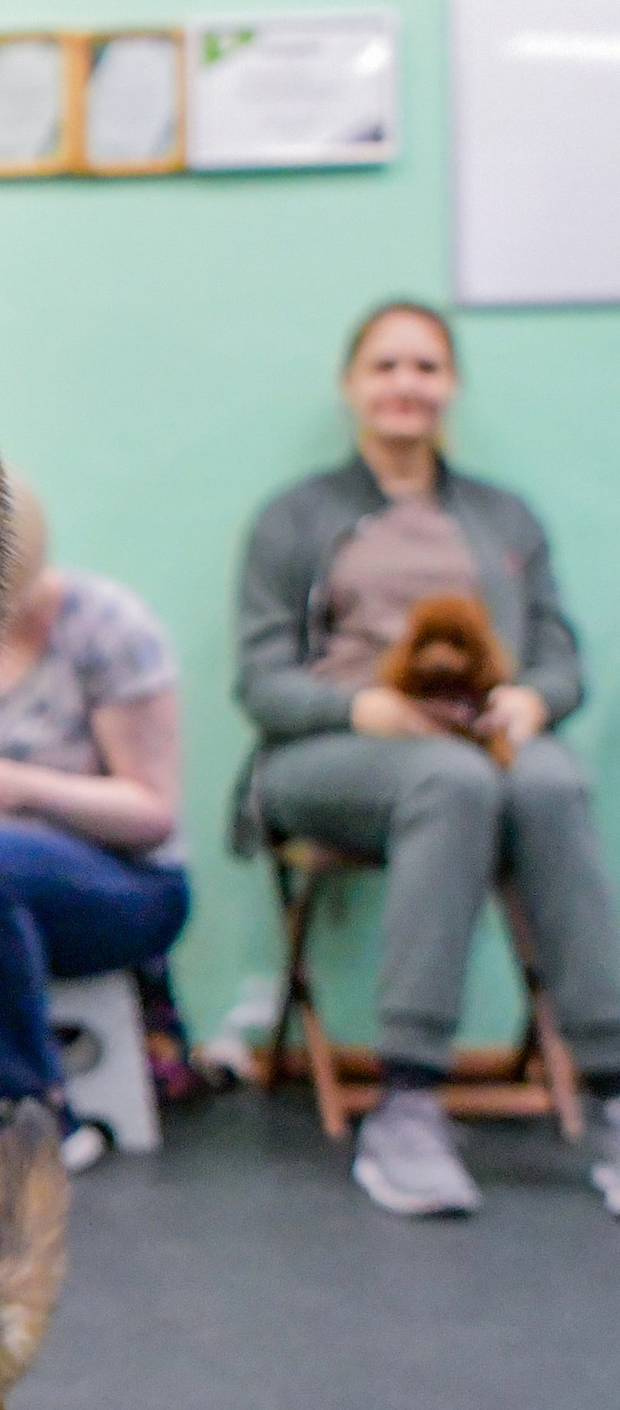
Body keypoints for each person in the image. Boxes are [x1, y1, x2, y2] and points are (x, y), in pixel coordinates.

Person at [237, 299, 620, 1220]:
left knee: (557, 779)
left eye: (425, 367)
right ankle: (406, 1104)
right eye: (385, 366)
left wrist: (536, 698)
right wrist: (359, 704)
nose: (406, 384)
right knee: (449, 781)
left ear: (451, 387)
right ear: (351, 386)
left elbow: (561, 656)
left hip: (487, 739)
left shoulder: (503, 518)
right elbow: (262, 681)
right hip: (331, 753)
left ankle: (611, 1088)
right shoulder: (296, 518)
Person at [0, 481, 193, 1164]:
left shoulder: (110, 628)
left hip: (129, 886)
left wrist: (17, 786)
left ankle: (32, 1111)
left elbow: (152, 811)